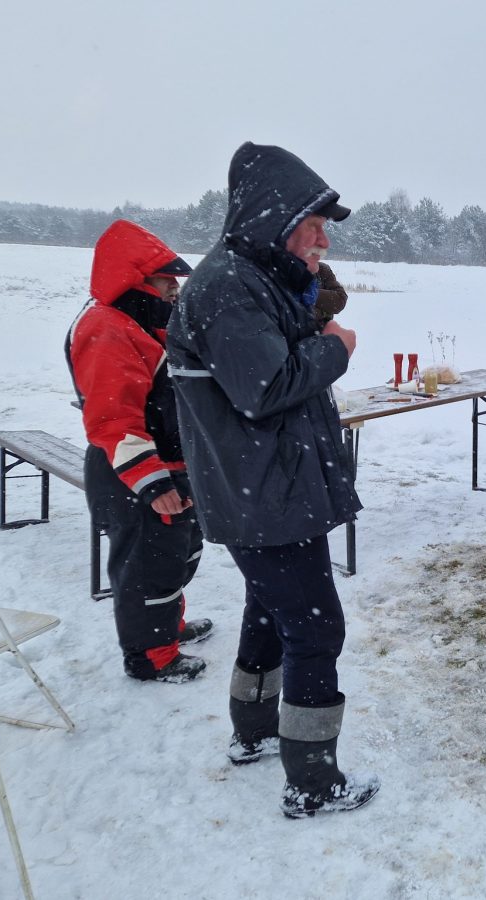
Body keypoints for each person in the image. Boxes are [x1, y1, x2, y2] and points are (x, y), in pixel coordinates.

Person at [166, 141, 378, 818]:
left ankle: (252, 734)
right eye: (312, 225)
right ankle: (312, 782)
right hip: (262, 495)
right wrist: (335, 349)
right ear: (271, 217)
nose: (322, 240)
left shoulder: (251, 276)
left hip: (265, 491)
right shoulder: (228, 286)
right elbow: (268, 386)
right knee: (316, 630)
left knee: (269, 613)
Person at [66, 219, 212, 683]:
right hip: (134, 474)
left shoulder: (143, 324)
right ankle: (152, 657)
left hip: (169, 466)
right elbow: (113, 419)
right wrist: (151, 481)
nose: (174, 288)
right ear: (134, 279)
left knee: (175, 555)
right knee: (146, 567)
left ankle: (168, 628)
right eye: (165, 279)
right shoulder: (108, 328)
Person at [313, 261, 348, 328]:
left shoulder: (322, 270)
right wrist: (325, 312)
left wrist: (312, 293)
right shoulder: (290, 269)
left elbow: (340, 300)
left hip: (323, 332)